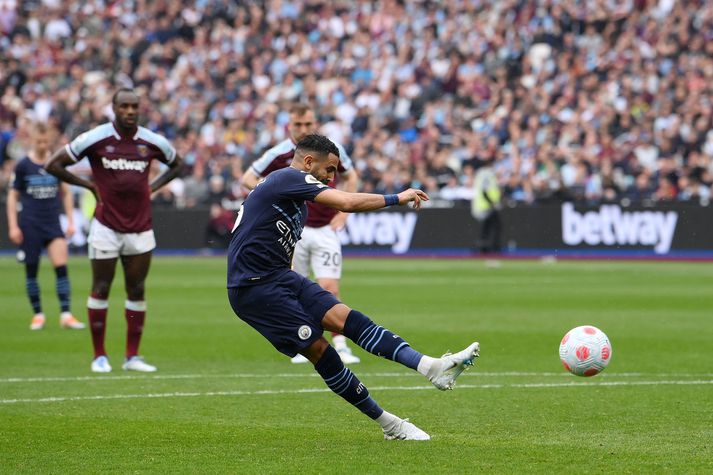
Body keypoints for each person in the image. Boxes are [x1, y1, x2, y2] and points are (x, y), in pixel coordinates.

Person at [228, 134, 480, 440]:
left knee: (347, 318)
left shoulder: (297, 204)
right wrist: (396, 198)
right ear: (309, 162)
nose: (332, 178)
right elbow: (346, 202)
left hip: (280, 277)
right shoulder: (286, 178)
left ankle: (431, 367)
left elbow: (284, 247)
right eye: (329, 170)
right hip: (252, 288)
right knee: (322, 350)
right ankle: (391, 425)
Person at [45, 88, 183, 373]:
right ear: (114, 108)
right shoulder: (95, 138)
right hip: (106, 226)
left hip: (141, 227)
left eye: (135, 106)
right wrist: (89, 186)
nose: (130, 111)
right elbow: (53, 164)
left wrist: (152, 188)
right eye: (124, 106)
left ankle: (132, 356)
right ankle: (99, 356)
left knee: (137, 289)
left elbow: (178, 164)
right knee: (101, 287)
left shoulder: (152, 141)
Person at [242, 103, 360, 364]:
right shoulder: (278, 153)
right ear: (289, 126)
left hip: (326, 228)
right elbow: (247, 178)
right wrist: (271, 190)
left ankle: (340, 343)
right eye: (298, 125)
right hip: (294, 231)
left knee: (329, 287)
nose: (303, 129)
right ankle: (306, 341)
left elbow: (351, 176)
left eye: (308, 124)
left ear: (314, 123)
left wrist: (344, 213)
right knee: (295, 287)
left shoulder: (329, 152)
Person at [6, 122, 85, 331]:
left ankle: (66, 314)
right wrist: (13, 226)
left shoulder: (55, 163)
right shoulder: (23, 165)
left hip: (51, 222)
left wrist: (70, 221)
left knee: (61, 267)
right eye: (39, 141)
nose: (42, 145)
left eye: (45, 141)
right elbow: (13, 197)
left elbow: (66, 193)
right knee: (32, 271)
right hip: (30, 223)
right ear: (32, 140)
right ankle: (38, 314)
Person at [471, 158, 503, 254]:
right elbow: (485, 190)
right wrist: (492, 202)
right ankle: (487, 247)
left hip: (483, 205)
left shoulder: (480, 174)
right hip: (486, 206)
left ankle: (484, 247)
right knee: (491, 227)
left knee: (487, 228)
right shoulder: (487, 174)